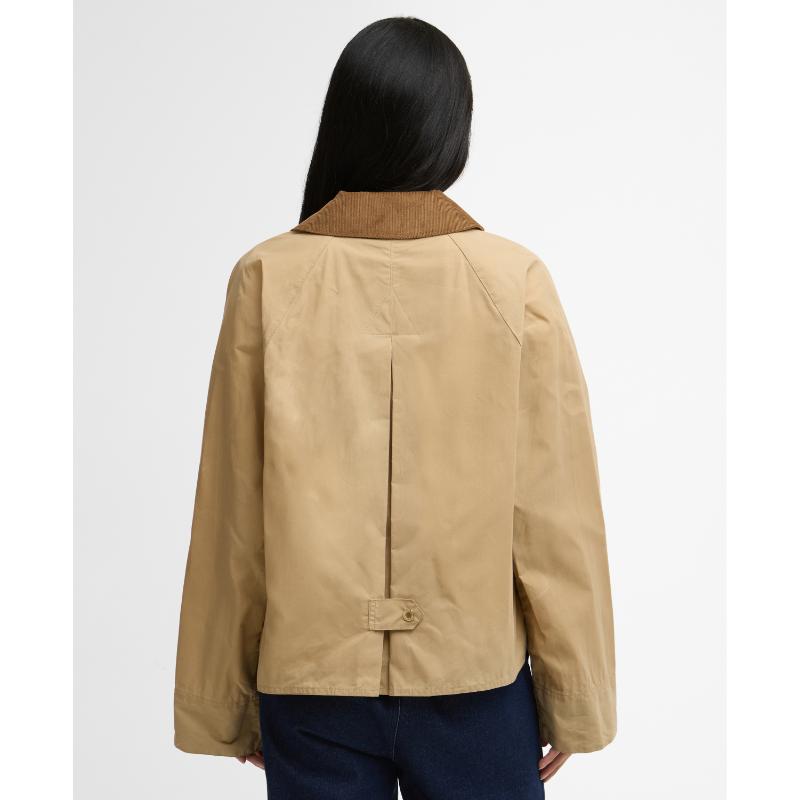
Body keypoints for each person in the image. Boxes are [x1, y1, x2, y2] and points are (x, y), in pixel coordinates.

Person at [174, 16, 616, 799]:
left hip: (311, 691)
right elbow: (554, 514)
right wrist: (575, 696)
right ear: (452, 133)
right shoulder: (513, 280)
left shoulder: (266, 278)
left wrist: (225, 704)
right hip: (476, 690)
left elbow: (232, 517)